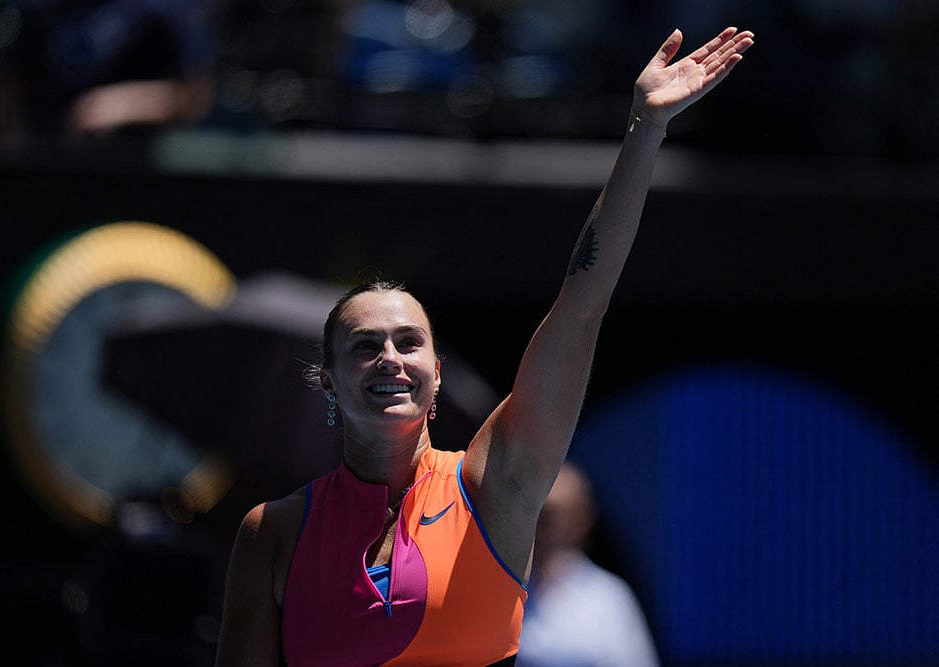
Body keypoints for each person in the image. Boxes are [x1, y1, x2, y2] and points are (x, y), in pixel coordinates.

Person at [215, 25, 754, 667]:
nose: (390, 358)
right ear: (328, 379)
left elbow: (581, 305)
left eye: (409, 342)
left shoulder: (494, 484)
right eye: (364, 345)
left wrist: (645, 129)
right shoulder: (271, 532)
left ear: (436, 373)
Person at [517, 461, 660, 667]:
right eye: (539, 513)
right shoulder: (502, 588)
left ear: (583, 520)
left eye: (558, 515)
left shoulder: (609, 597)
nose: (548, 528)